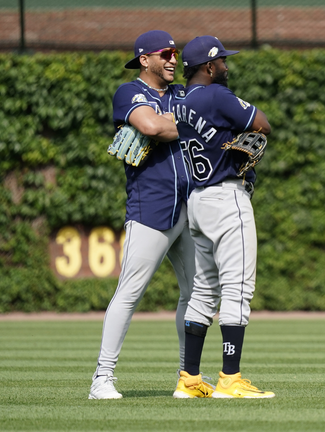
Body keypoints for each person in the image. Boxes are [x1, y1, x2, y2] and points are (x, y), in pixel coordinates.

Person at [88, 30, 197, 399]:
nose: (173, 59)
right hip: (150, 207)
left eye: (175, 53)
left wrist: (171, 124)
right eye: (165, 53)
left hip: (191, 207)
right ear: (144, 59)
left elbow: (206, 128)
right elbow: (150, 126)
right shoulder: (129, 92)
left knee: (196, 294)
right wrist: (177, 125)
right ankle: (102, 378)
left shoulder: (184, 93)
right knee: (130, 293)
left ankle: (187, 377)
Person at [170, 35, 274, 399]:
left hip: (197, 200)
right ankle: (230, 378)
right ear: (209, 67)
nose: (227, 66)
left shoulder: (180, 103)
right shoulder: (216, 94)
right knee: (238, 287)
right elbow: (262, 123)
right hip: (227, 196)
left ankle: (189, 379)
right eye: (222, 61)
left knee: (203, 290)